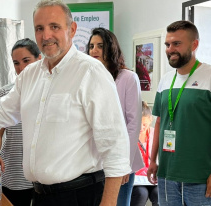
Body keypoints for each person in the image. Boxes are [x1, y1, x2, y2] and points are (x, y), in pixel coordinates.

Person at [0, 0, 131, 206]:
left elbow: (115, 148)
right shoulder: (30, 75)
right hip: (40, 195)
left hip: (80, 195)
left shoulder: (91, 72)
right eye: (39, 28)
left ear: (72, 29)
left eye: (54, 27)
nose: (46, 35)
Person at [147, 20, 211, 206]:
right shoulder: (165, 80)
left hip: (199, 177)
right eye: (167, 44)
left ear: (194, 44)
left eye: (177, 44)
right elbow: (160, 122)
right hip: (167, 175)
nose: (170, 49)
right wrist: (152, 160)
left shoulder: (208, 76)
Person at [87, 27, 143, 206]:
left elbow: (133, 123)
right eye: (91, 46)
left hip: (120, 160)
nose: (94, 50)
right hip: (94, 163)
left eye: (100, 46)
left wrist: (123, 163)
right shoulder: (88, 79)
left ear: (111, 49)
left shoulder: (128, 78)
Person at [0, 38, 41, 206]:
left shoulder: (49, 92)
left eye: (26, 61)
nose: (21, 68)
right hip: (14, 174)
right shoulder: (6, 92)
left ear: (39, 59)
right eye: (16, 63)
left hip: (42, 174)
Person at [130, 101, 158, 206]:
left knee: (158, 194)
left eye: (144, 124)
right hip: (136, 178)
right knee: (141, 193)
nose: (141, 128)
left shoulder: (154, 134)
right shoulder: (130, 135)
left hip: (152, 176)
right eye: (138, 124)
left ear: (150, 120)